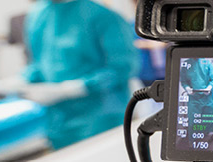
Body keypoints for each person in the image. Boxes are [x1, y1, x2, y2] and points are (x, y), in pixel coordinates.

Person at [21, 0, 140, 149]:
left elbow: (123, 67)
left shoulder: (102, 16)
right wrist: (16, 85)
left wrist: (74, 89)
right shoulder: (37, 15)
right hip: (59, 124)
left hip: (100, 120)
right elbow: (39, 63)